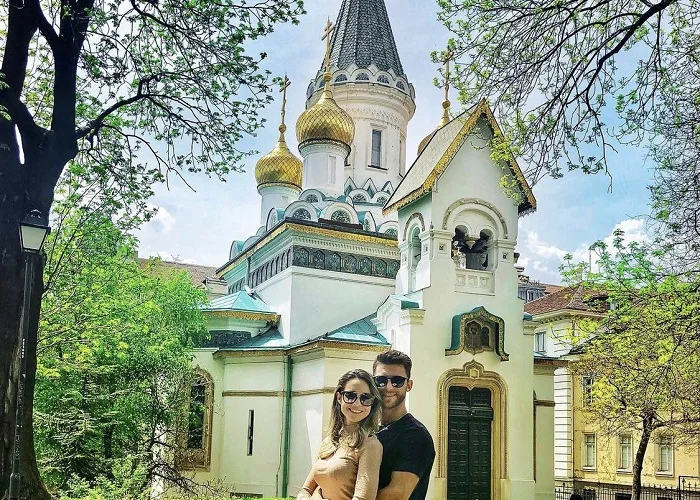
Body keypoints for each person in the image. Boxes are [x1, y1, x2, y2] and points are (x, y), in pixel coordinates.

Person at [297, 369, 384, 500]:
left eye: (365, 398)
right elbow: (305, 491)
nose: (357, 403)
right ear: (339, 397)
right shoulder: (329, 442)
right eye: (350, 396)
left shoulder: (370, 445)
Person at [373, 350, 435, 500]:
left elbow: (396, 495)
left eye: (397, 381)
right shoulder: (364, 429)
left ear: (409, 385)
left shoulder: (416, 436)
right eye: (381, 380)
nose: (388, 387)